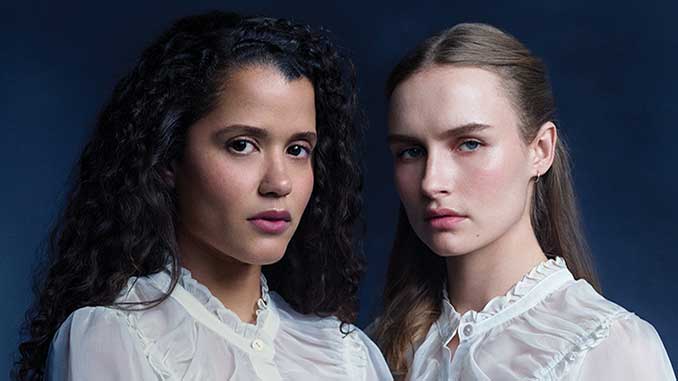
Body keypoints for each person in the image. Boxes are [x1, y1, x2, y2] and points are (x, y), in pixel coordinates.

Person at [14, 11, 391, 381]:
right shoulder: (115, 337)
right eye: (242, 145)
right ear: (168, 158)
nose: (279, 183)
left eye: (297, 149)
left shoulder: (349, 354)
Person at [372, 23, 675, 380]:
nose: (432, 181)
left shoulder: (611, 348)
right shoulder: (376, 348)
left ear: (541, 150)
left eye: (469, 143)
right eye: (411, 151)